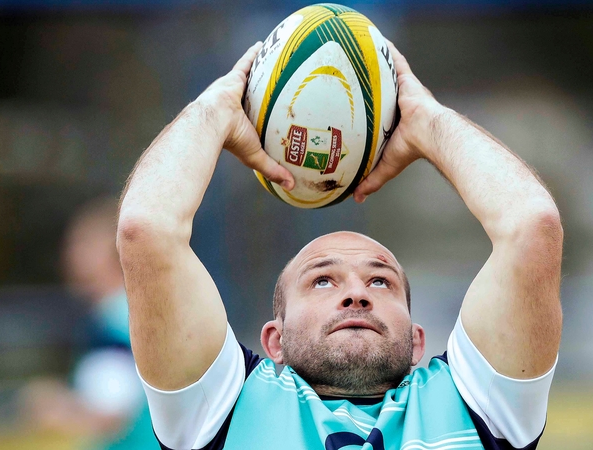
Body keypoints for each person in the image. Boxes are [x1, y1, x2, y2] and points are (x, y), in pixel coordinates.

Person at [117, 41, 563, 450]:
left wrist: (429, 122)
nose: (358, 293)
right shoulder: (221, 409)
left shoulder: (478, 401)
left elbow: (532, 227)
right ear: (275, 340)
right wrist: (214, 111)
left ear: (416, 341)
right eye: (323, 280)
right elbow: (147, 230)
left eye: (381, 280)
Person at [22, 198, 157, 450]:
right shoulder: (133, 312)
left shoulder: (114, 324)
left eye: (81, 243)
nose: (69, 254)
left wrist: (55, 406)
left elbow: (108, 416)